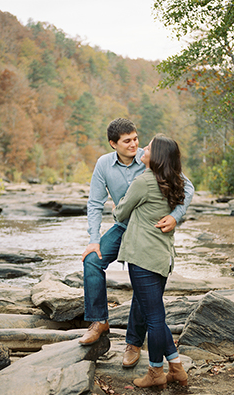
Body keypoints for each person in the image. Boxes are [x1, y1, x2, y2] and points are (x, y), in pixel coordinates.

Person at [79, 118, 194, 369]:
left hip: (147, 231)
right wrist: (94, 239)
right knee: (92, 261)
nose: (135, 145)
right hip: (122, 228)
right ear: (113, 144)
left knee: (143, 290)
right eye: (127, 141)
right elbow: (95, 204)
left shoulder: (151, 157)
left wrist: (175, 217)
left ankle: (133, 343)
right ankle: (99, 321)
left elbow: (188, 186)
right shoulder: (103, 165)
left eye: (136, 138)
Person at [112, 134, 189, 388]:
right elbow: (189, 189)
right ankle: (176, 367)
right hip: (162, 257)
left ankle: (156, 372)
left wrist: (121, 203)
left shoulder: (144, 181)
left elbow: (120, 212)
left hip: (143, 258)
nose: (143, 148)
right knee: (154, 314)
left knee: (154, 318)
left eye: (149, 147)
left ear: (156, 157)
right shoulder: (175, 181)